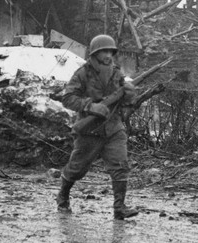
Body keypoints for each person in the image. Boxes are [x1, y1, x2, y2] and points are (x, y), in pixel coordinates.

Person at [57, 34, 139, 219]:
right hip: (89, 130)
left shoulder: (116, 73)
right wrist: (90, 106)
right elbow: (67, 98)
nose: (108, 55)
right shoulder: (82, 73)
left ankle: (119, 208)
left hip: (113, 128)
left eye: (110, 51)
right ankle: (63, 196)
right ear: (94, 54)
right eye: (104, 51)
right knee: (77, 168)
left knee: (120, 166)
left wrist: (130, 95)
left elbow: (126, 102)